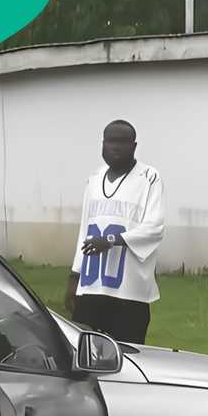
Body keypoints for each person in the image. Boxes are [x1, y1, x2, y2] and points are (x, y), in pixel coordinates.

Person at [65, 120, 165, 343]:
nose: (115, 147)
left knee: (128, 358)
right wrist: (74, 277)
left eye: (122, 142)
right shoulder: (94, 179)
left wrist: (111, 240)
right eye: (110, 141)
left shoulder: (149, 178)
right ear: (102, 144)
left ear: (134, 145)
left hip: (129, 291)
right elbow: (84, 230)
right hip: (92, 287)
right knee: (87, 354)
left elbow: (155, 227)